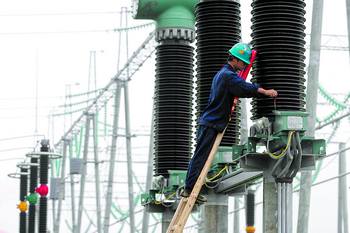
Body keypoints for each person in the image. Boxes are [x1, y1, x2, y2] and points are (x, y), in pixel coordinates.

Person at [180, 42, 278, 202]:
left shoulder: (222, 73)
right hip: (211, 123)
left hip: (210, 122)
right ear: (236, 60)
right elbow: (244, 87)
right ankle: (190, 189)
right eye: (243, 62)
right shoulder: (228, 76)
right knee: (201, 157)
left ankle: (190, 189)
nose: (244, 65)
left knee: (200, 155)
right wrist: (265, 91)